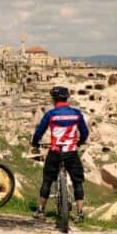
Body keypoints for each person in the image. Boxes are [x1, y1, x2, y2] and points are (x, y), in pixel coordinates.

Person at [31, 85, 90, 223]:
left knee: (47, 180)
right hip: (71, 152)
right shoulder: (76, 114)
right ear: (67, 98)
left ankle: (40, 210)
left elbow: (39, 131)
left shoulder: (50, 114)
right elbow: (85, 132)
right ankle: (80, 213)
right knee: (77, 182)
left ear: (54, 99)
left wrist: (35, 142)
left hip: (55, 151)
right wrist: (80, 141)